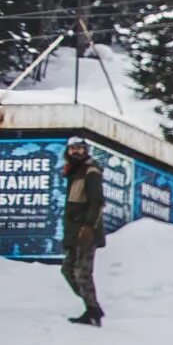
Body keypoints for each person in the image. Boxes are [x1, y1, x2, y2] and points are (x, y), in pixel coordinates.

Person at [59, 140, 106, 326]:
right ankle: (92, 306)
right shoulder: (73, 172)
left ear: (85, 151)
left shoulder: (90, 171)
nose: (75, 152)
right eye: (72, 149)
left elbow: (97, 201)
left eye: (79, 148)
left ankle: (92, 311)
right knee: (67, 270)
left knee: (81, 272)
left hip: (86, 232)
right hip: (73, 232)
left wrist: (88, 227)